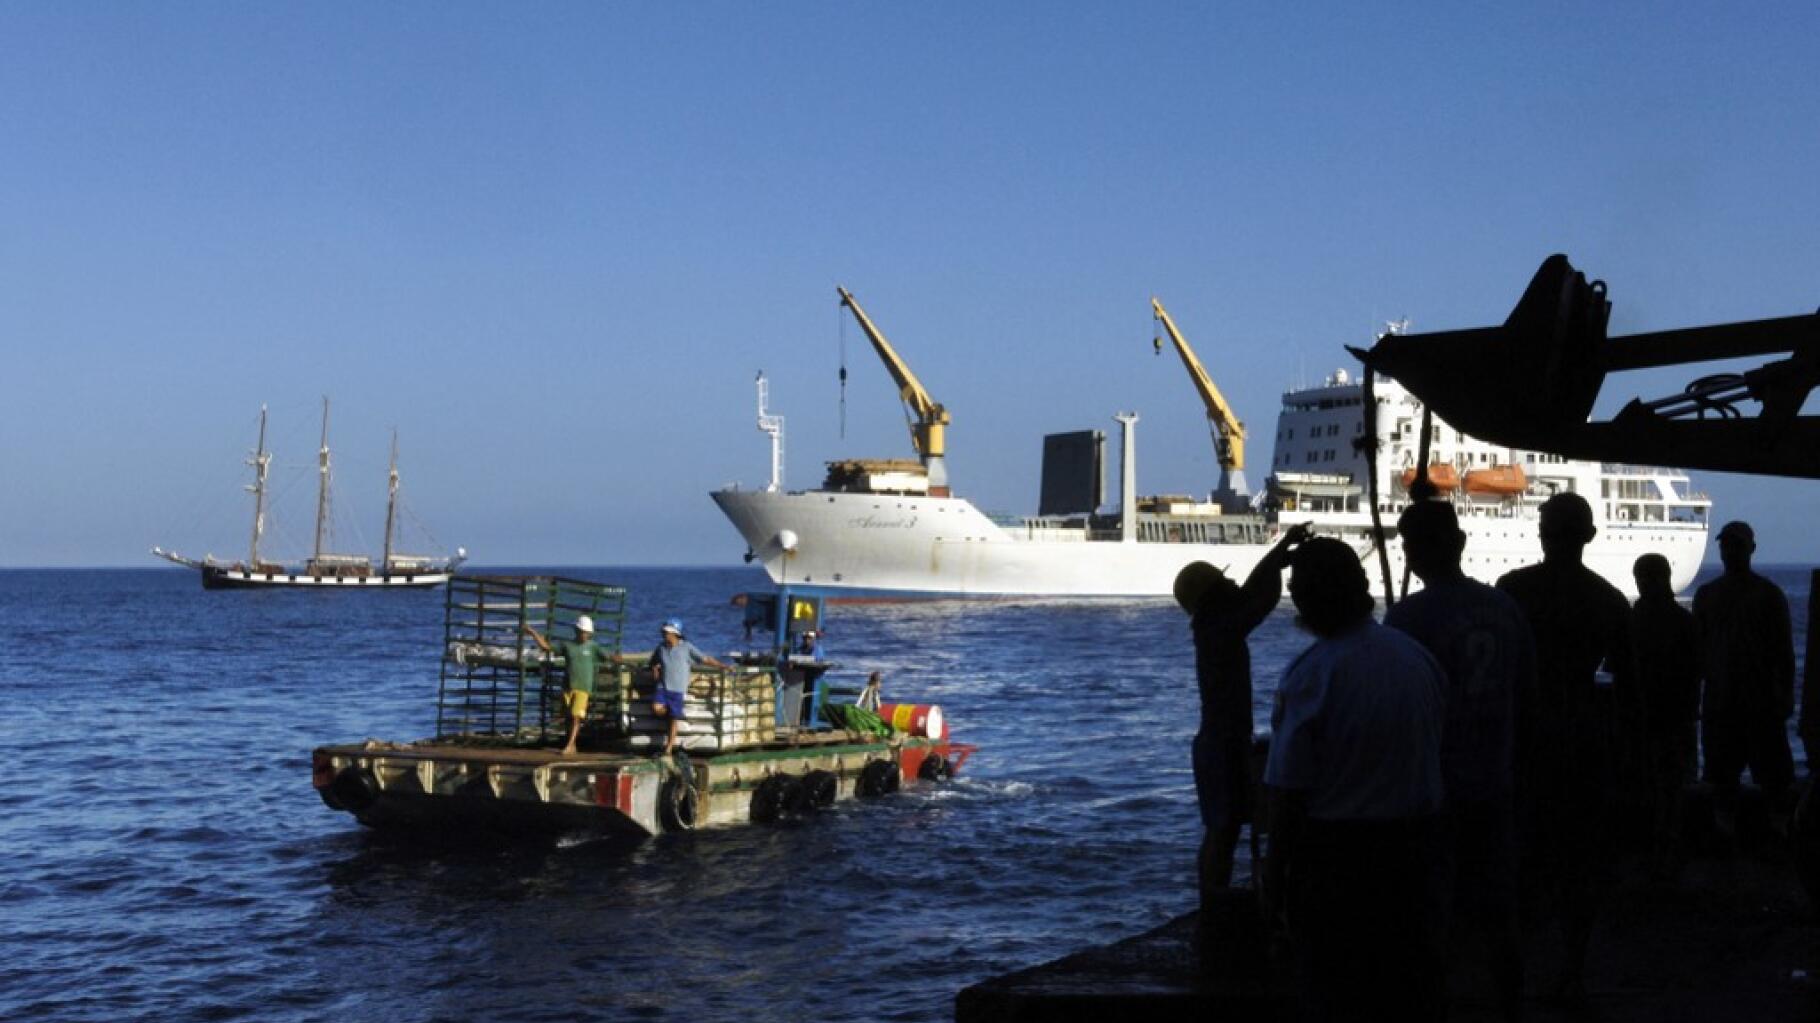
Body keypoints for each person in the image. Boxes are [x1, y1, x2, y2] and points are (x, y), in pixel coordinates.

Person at [1263, 536, 1448, 1022]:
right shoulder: (1418, 659)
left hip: (1338, 860)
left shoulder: (1310, 674)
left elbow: (1287, 793)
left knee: (1333, 990)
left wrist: (1273, 884)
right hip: (1418, 850)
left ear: (1308, 599)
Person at [1386, 500, 1532, 1019]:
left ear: (1414, 553)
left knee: (1432, 903)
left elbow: (1397, 708)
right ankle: (1510, 999)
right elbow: (1527, 690)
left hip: (1434, 783)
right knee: (1498, 901)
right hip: (1496, 776)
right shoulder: (1505, 609)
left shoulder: (1406, 618)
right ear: (1462, 544)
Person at [1495, 491, 1632, 1003]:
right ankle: (1571, 969)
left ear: (1541, 533)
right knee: (1580, 862)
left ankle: (1514, 970)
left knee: (1521, 857)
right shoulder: (1609, 600)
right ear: (1590, 536)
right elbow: (1628, 685)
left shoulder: (1512, 590)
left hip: (1521, 735)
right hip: (1583, 736)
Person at [1174, 523, 1311, 904]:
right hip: (1221, 746)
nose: (1233, 586)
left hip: (1217, 743)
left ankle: (1211, 901)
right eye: (1224, 584)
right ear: (1214, 596)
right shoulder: (1221, 628)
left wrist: (1277, 557)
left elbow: (1254, 594)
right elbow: (1258, 600)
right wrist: (1280, 551)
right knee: (1224, 830)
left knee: (1224, 829)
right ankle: (1212, 903)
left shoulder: (1213, 626)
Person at [1694, 520, 1796, 831]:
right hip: (1738, 704)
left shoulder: (1709, 594)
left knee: (1745, 781)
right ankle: (1776, 842)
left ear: (1750, 549)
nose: (1729, 551)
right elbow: (1784, 653)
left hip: (1742, 704)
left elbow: (1783, 651)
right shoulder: (1767, 594)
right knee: (1750, 781)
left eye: (1734, 545)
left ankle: (1736, 845)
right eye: (1727, 545)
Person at [1631, 552, 1701, 874]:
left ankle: (1654, 850)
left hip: (1644, 718)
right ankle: (1674, 850)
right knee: (1677, 785)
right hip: (1677, 716)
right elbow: (1698, 669)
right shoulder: (1683, 621)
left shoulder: (1632, 622)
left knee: (1649, 784)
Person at [521, 615, 603, 756]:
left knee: (576, 716)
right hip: (568, 686)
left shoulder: (593, 647)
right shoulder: (567, 646)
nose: (585, 635)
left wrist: (617, 659)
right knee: (568, 717)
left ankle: (569, 745)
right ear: (577, 631)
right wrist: (533, 633)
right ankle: (573, 745)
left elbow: (606, 656)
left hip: (583, 688)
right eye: (583, 632)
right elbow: (546, 647)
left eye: (587, 633)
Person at [648, 618, 726, 757]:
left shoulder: (686, 648)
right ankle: (670, 715)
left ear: (674, 633)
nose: (664, 634)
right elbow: (653, 662)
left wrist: (722, 666)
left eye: (666, 632)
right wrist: (655, 669)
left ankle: (669, 748)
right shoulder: (661, 648)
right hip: (663, 687)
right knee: (656, 708)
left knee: (673, 719)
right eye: (663, 632)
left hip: (677, 690)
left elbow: (705, 659)